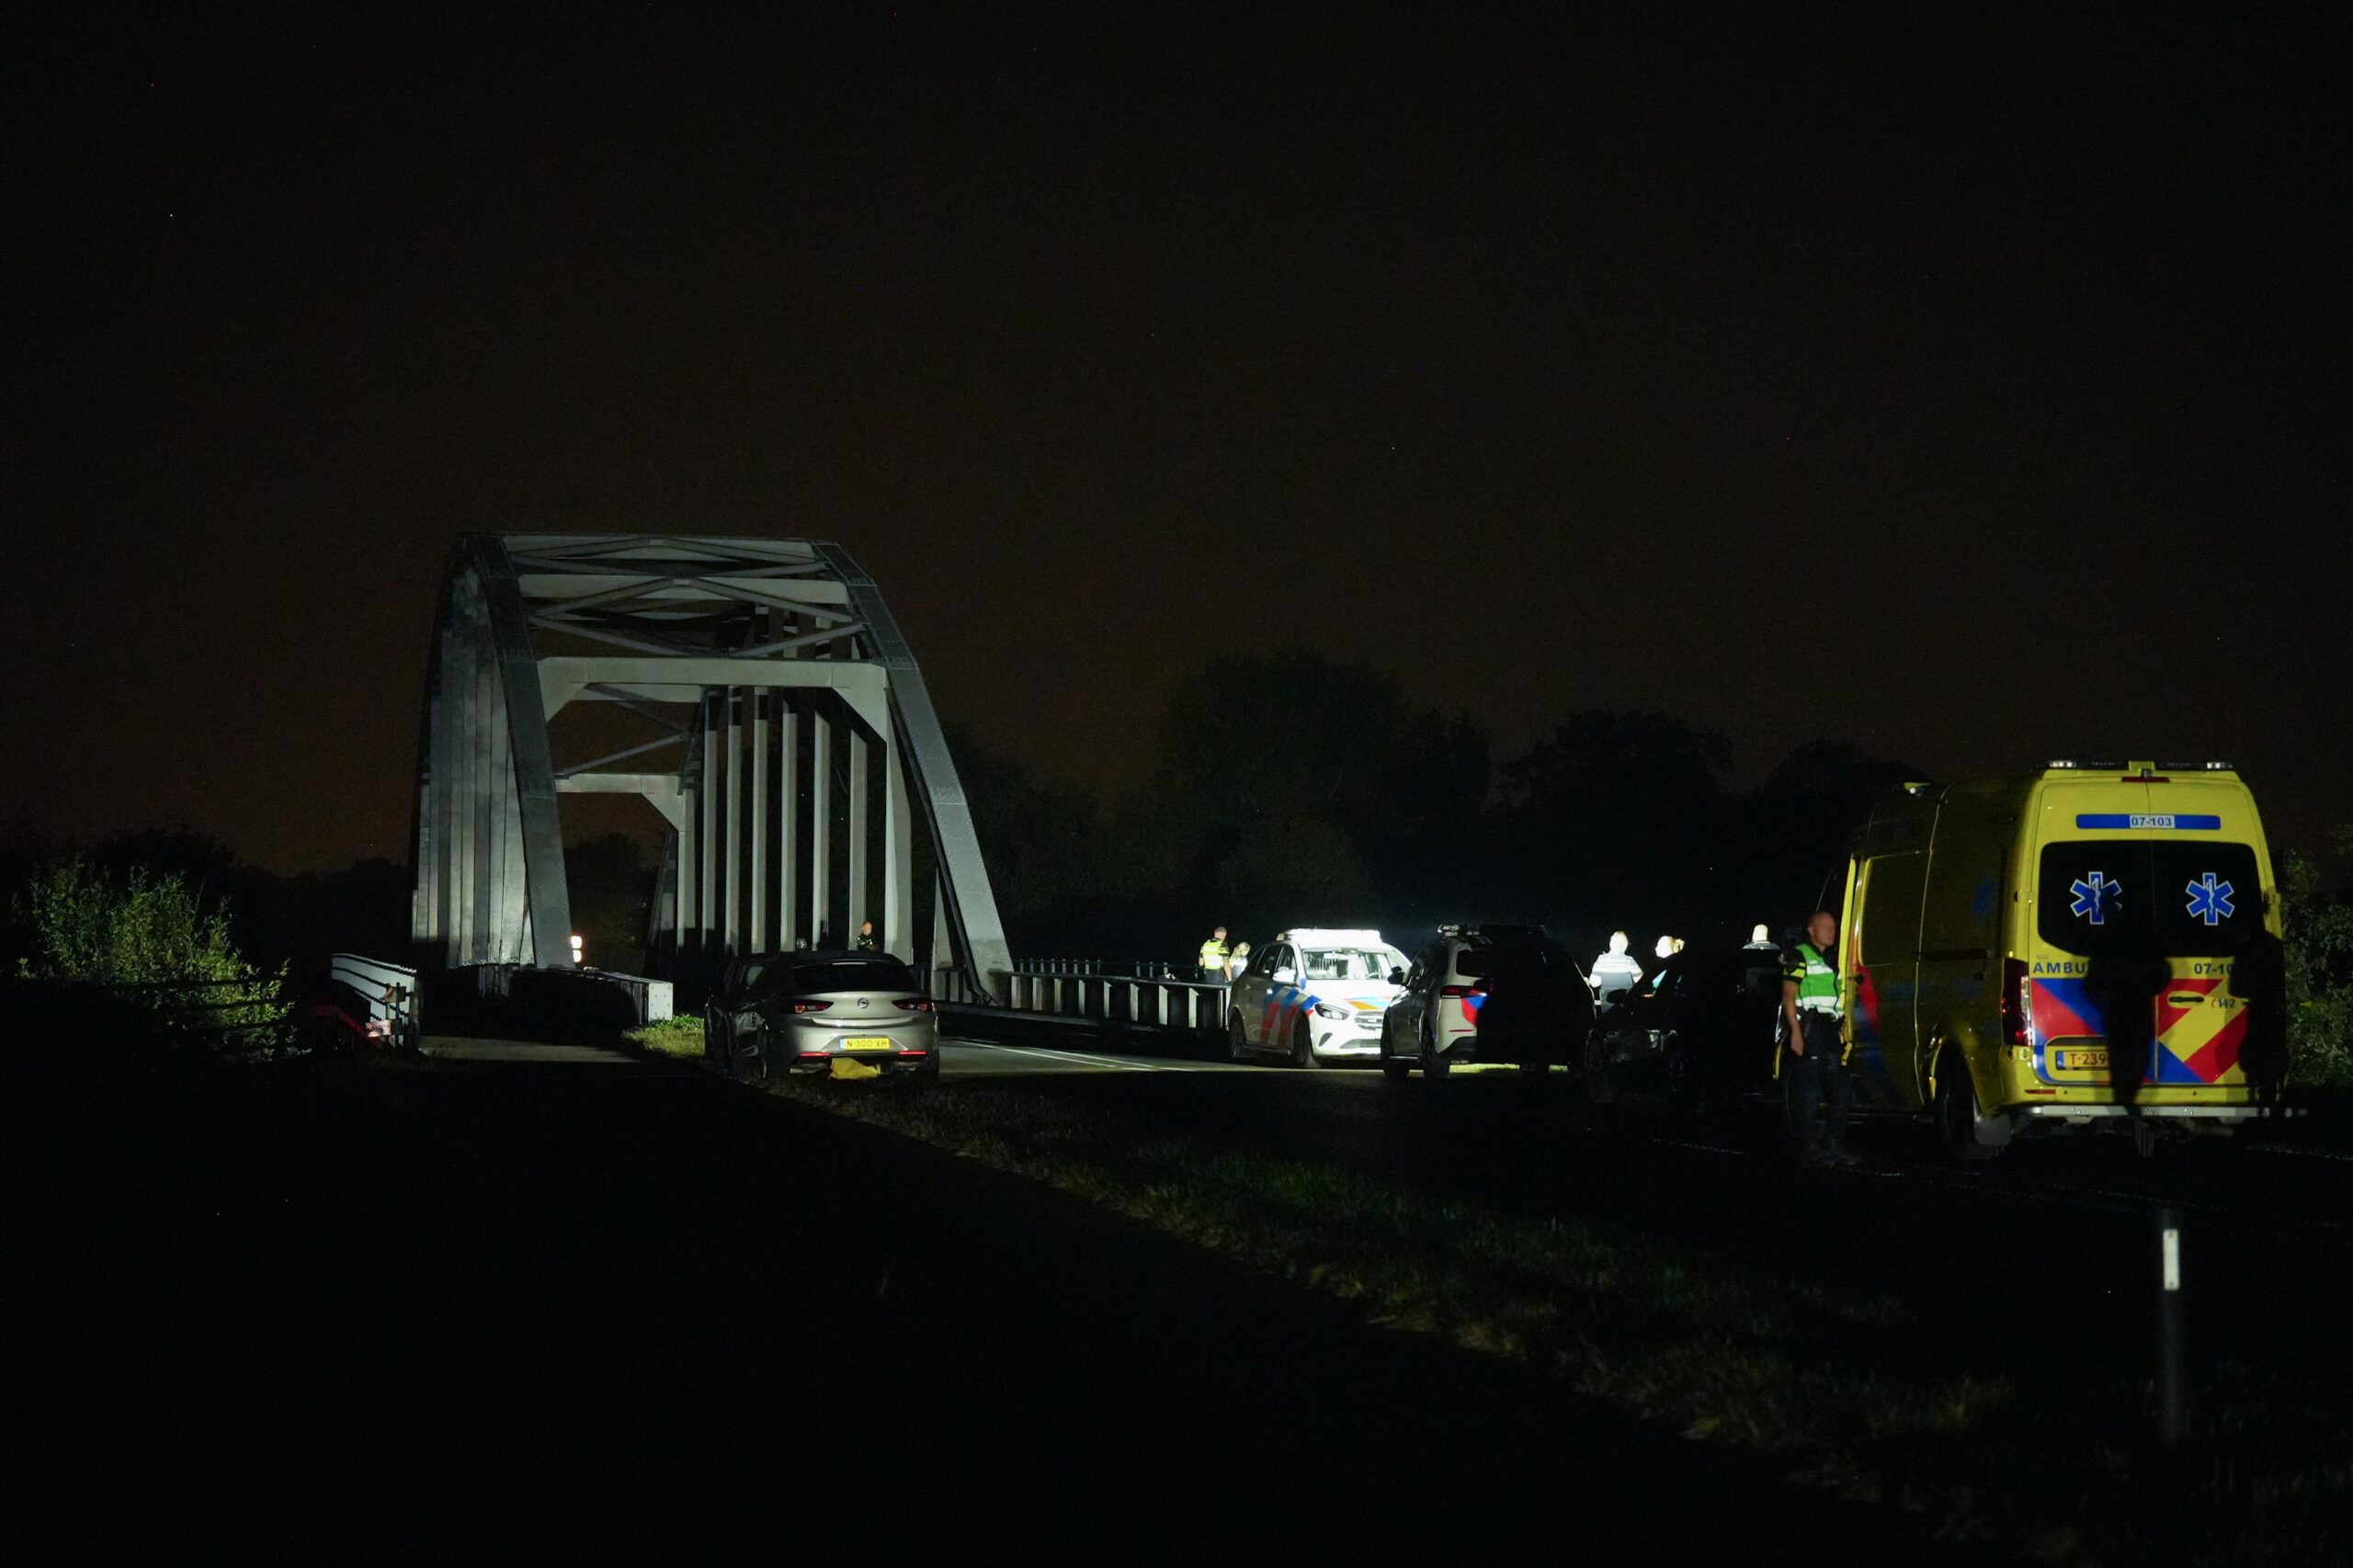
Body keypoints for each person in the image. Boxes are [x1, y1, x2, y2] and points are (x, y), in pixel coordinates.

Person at [1782, 910, 1858, 1168]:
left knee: (1841, 1089)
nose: (1831, 931)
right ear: (1811, 930)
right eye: (1826, 927)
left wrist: (1840, 1027)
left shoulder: (1830, 959)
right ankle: (1811, 1147)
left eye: (1833, 927)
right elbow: (1788, 995)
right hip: (1810, 1029)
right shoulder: (1800, 955)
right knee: (1810, 1090)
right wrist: (1795, 1032)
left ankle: (1833, 1144)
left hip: (1828, 1031)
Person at [1590, 931, 1643, 1003]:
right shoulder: (1629, 960)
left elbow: (1594, 984)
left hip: (1607, 1004)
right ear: (1625, 945)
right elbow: (1641, 981)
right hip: (1625, 1003)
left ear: (1611, 943)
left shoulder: (1601, 960)